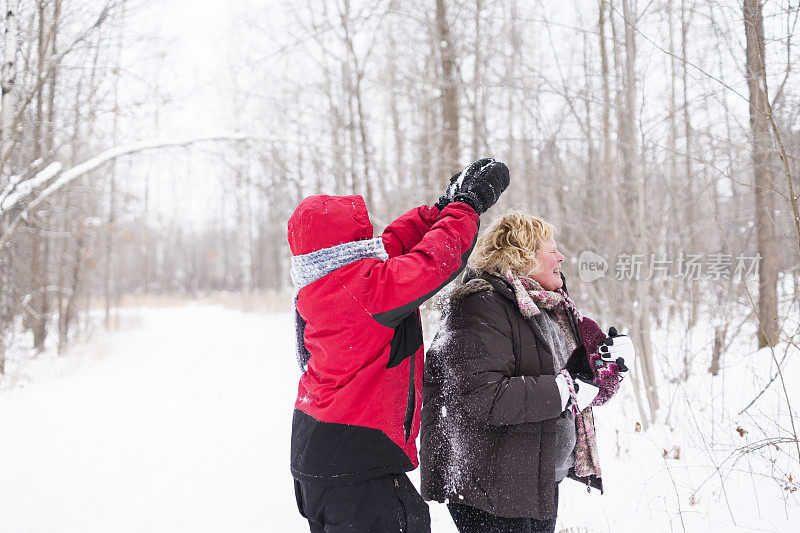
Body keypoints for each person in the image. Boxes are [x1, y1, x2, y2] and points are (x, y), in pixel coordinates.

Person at [288, 159, 510, 532]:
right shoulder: (364, 290)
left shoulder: (320, 286)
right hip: (358, 460)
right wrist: (467, 206)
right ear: (344, 247)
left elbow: (389, 247)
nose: (371, 239)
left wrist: (440, 209)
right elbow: (433, 262)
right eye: (361, 237)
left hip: (316, 458)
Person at [420, 211, 634, 533]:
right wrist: (566, 389)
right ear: (521, 256)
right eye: (551, 249)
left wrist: (608, 369)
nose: (561, 256)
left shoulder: (551, 310)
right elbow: (485, 396)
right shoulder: (480, 306)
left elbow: (583, 387)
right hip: (490, 488)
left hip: (533, 479)